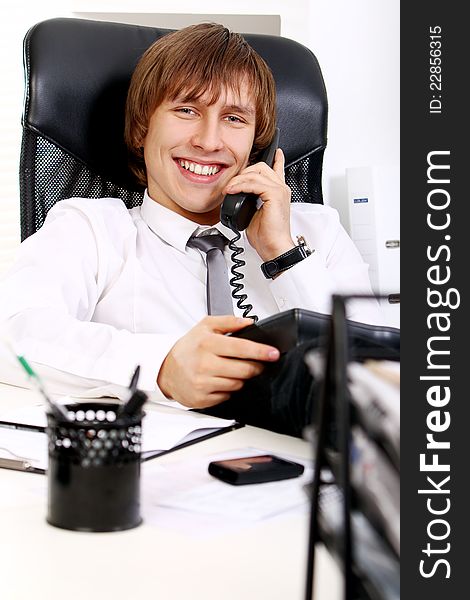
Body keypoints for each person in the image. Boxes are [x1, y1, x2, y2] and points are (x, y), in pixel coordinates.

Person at [0, 23, 383, 433]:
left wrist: (284, 256)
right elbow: (15, 333)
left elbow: (379, 374)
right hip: (152, 482)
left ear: (259, 145)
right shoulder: (89, 230)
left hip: (298, 485)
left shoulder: (317, 232)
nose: (208, 140)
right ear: (144, 126)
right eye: (187, 110)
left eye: (234, 118)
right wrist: (161, 365)